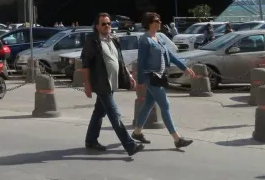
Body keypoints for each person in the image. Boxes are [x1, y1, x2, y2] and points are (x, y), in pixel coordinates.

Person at [80, 13, 143, 156]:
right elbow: (86, 64)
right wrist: (87, 84)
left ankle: (90, 140)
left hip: (112, 83)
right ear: (96, 26)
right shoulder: (93, 41)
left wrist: (129, 76)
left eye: (109, 23)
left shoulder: (114, 39)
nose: (107, 26)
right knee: (115, 115)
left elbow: (119, 60)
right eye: (103, 24)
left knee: (99, 112)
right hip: (101, 84)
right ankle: (130, 145)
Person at [132, 12, 195, 149]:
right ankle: (177, 139)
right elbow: (141, 61)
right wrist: (141, 82)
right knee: (165, 105)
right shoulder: (145, 39)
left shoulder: (158, 38)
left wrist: (184, 67)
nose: (159, 22)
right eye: (156, 20)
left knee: (148, 104)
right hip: (151, 76)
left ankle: (137, 132)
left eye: (159, 20)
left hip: (159, 76)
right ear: (149, 23)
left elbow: (170, 55)